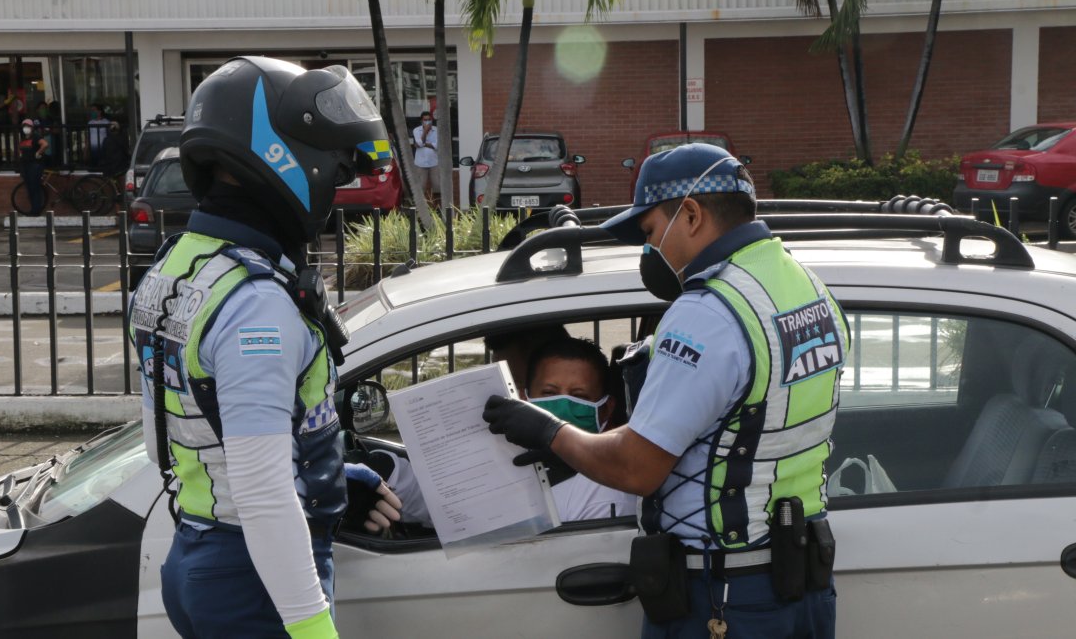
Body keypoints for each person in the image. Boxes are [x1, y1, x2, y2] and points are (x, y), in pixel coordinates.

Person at [483, 143, 850, 638]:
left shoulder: (707, 312)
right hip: (799, 584)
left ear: (692, 214)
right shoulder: (805, 287)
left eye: (651, 231)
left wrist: (550, 432)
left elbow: (637, 466)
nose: (648, 250)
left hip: (725, 598)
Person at [129, 56, 399, 639]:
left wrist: (325, 475)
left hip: (201, 554)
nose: (336, 190)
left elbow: (168, 440)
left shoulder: (178, 268)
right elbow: (261, 492)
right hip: (255, 583)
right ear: (283, 158)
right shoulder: (256, 301)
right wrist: (311, 629)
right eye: (335, 171)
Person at [366, 335, 636, 526]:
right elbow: (437, 498)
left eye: (578, 395)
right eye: (550, 392)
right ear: (524, 399)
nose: (562, 403)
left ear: (606, 408)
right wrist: (377, 470)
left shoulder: (608, 483)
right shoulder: (498, 454)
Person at [17, 119, 48, 216]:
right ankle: (33, 209)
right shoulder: (23, 138)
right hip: (25, 165)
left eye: (28, 126)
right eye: (24, 126)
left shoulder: (35, 136)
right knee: (29, 188)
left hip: (34, 165)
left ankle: (35, 211)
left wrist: (38, 153)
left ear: (32, 127)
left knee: (35, 188)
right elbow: (20, 150)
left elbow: (45, 144)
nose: (26, 128)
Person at [411, 110, 440, 203]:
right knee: (420, 188)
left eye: (429, 119)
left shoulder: (436, 130)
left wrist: (423, 143)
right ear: (421, 121)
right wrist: (425, 131)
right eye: (425, 120)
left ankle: (438, 210)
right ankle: (422, 212)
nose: (427, 121)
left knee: (437, 187)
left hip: (434, 163)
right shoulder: (416, 130)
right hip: (420, 164)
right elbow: (419, 144)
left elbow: (437, 146)